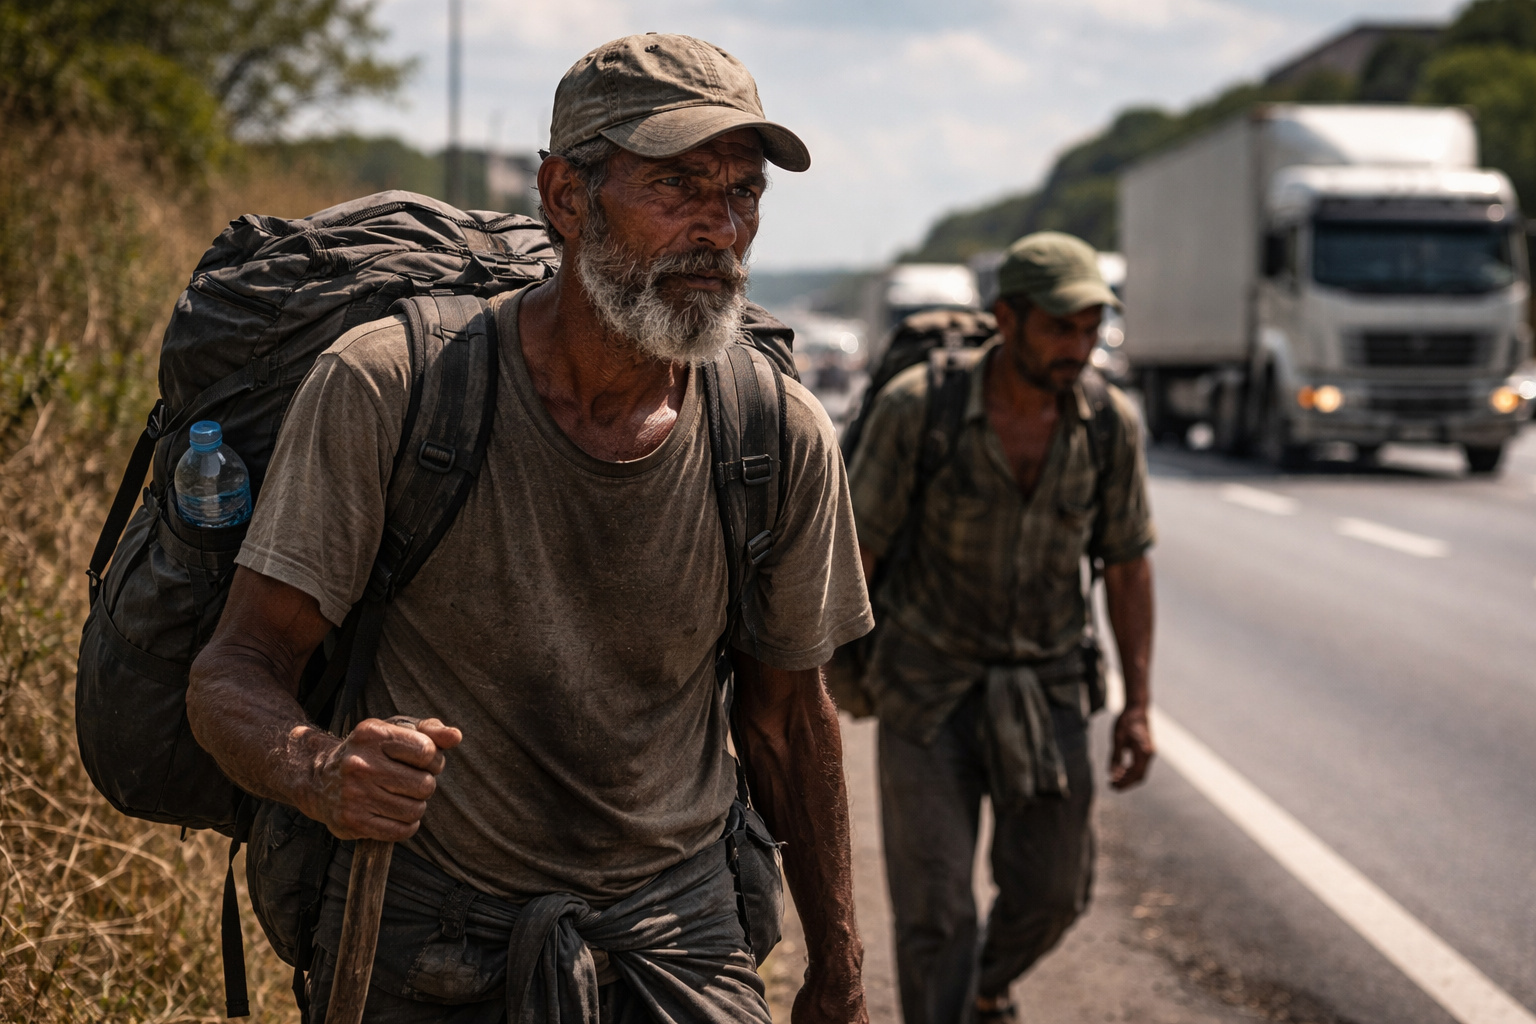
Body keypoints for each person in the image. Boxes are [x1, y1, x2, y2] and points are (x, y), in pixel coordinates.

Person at [187, 33, 874, 1024]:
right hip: (430, 936)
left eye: (743, 194)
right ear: (564, 197)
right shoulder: (392, 388)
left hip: (678, 936)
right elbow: (234, 668)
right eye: (677, 186)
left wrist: (840, 969)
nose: (721, 229)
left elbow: (788, 722)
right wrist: (323, 771)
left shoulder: (775, 434)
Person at [846, 231, 1157, 1024]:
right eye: (1059, 328)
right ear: (1008, 319)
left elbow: (1127, 565)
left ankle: (986, 985)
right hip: (927, 691)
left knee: (1054, 892)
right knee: (935, 911)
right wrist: (818, 679)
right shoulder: (920, 408)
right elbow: (856, 555)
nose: (1077, 348)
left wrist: (1138, 705)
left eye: (1089, 329)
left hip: (1048, 691)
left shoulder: (1108, 424)